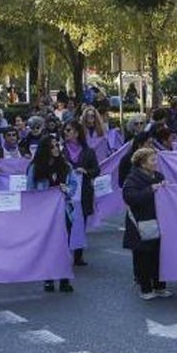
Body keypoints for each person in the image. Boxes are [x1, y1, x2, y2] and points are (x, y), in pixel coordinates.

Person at [26, 135, 77, 293]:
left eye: (58, 146)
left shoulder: (66, 166)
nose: (57, 149)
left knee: (63, 245)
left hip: (63, 211)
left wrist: (66, 190)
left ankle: (64, 278)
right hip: (44, 215)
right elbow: (30, 190)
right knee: (48, 246)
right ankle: (48, 278)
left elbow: (73, 185)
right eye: (53, 146)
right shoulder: (35, 168)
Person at [123, 147, 170, 299]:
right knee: (144, 256)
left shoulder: (158, 176)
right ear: (143, 163)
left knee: (159, 255)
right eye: (152, 160)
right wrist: (151, 189)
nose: (156, 163)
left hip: (158, 220)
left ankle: (160, 286)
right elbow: (130, 197)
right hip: (140, 222)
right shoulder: (132, 179)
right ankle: (146, 288)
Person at [62, 121, 100, 268]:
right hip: (66, 193)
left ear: (77, 133)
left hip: (83, 192)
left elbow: (96, 170)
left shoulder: (88, 151)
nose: (66, 133)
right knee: (66, 223)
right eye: (65, 130)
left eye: (69, 130)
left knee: (80, 222)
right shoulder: (60, 150)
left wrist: (86, 172)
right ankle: (64, 253)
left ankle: (78, 255)